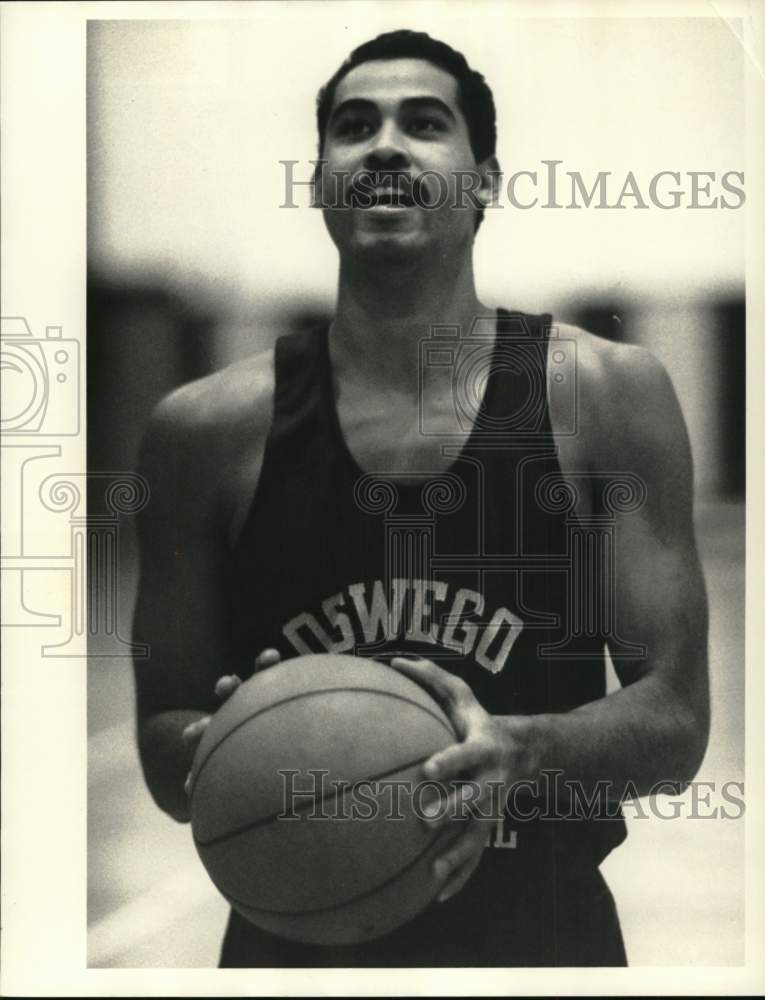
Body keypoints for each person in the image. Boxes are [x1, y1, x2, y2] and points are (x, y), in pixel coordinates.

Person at [133, 30, 710, 967]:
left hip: (542, 946)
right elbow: (163, 749)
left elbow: (676, 724)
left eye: (424, 123)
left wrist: (519, 749)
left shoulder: (606, 396)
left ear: (484, 180)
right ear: (319, 182)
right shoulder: (202, 431)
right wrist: (231, 738)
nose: (386, 146)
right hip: (295, 950)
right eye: (354, 126)